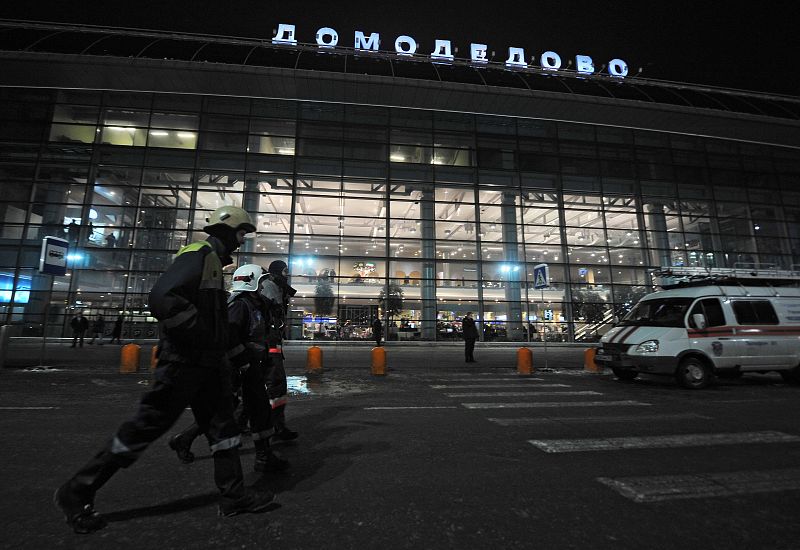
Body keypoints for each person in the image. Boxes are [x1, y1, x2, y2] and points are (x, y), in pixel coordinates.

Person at [54, 205, 273, 534]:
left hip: (206, 365)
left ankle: (233, 496)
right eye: (241, 233)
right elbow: (162, 297)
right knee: (145, 428)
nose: (242, 242)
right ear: (227, 231)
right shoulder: (200, 254)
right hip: (183, 363)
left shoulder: (212, 261)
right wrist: (200, 336)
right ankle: (77, 490)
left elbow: (213, 323)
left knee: (224, 431)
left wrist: (230, 352)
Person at [168, 264, 289, 472]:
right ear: (251, 283)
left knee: (256, 410)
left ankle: (263, 456)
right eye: (261, 283)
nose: (263, 287)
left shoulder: (252, 304)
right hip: (240, 367)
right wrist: (242, 362)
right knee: (232, 410)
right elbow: (230, 337)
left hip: (250, 365)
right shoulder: (239, 305)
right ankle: (186, 439)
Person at [261, 260, 299, 442]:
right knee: (277, 385)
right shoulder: (269, 287)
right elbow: (269, 317)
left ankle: (275, 426)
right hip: (268, 345)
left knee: (263, 388)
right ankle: (277, 427)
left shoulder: (277, 288)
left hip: (271, 343)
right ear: (276, 272)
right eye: (284, 271)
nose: (286, 275)